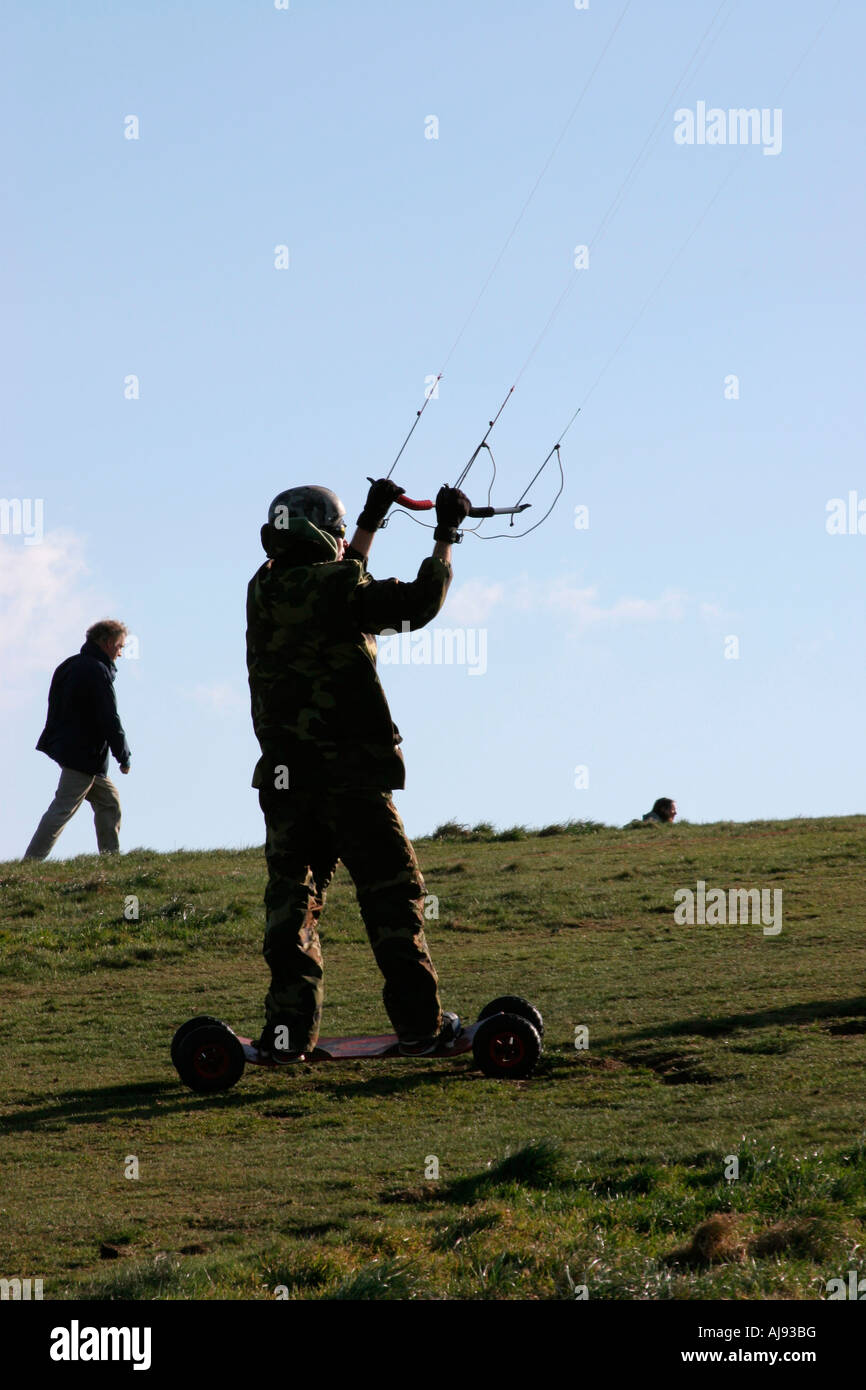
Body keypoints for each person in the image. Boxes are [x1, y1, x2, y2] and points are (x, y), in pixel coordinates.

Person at [246, 478, 470, 1061]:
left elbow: (340, 578)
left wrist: (369, 522)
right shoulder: (341, 586)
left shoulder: (264, 587)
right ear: (327, 534)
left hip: (287, 783)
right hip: (351, 780)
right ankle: (422, 1028)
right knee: (393, 901)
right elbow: (415, 605)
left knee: (292, 905)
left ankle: (288, 1036)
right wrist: (447, 533)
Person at [24, 620, 132, 860]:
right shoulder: (97, 671)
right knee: (62, 808)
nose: (121, 652)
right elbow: (109, 717)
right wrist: (123, 755)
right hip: (83, 756)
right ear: (106, 643)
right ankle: (31, 862)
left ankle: (111, 861)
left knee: (109, 802)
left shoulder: (70, 665)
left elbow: (55, 707)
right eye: (119, 646)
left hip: (74, 752)